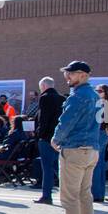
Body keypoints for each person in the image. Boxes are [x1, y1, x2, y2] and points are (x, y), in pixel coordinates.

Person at [48, 61, 101, 214]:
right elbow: (103, 125)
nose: (67, 77)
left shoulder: (78, 96)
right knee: (85, 197)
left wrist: (56, 138)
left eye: (71, 73)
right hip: (92, 150)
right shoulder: (96, 96)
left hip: (75, 149)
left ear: (83, 75)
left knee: (69, 198)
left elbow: (67, 120)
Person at [34, 76, 64, 204]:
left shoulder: (45, 97)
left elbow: (43, 118)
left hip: (46, 137)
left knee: (47, 167)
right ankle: (68, 193)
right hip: (60, 137)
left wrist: (39, 134)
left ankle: (47, 195)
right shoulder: (63, 98)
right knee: (60, 167)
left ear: (44, 86)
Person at [91, 84, 108, 203]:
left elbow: (98, 121)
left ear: (106, 93)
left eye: (100, 91)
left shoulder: (102, 103)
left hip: (99, 134)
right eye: (96, 90)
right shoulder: (107, 103)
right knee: (99, 165)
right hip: (103, 134)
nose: (97, 92)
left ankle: (96, 193)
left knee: (96, 165)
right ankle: (99, 193)